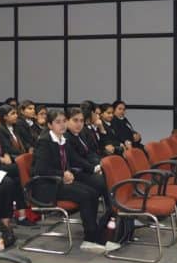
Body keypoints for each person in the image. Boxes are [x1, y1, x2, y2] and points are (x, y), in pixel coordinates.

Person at [32, 109, 119, 254]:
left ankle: (96, 236)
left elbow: (74, 159)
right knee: (86, 195)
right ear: (50, 125)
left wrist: (92, 168)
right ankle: (90, 239)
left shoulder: (63, 140)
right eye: (57, 122)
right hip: (46, 185)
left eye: (63, 121)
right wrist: (62, 174)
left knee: (93, 192)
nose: (62, 125)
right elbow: (40, 169)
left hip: (60, 182)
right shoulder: (45, 142)